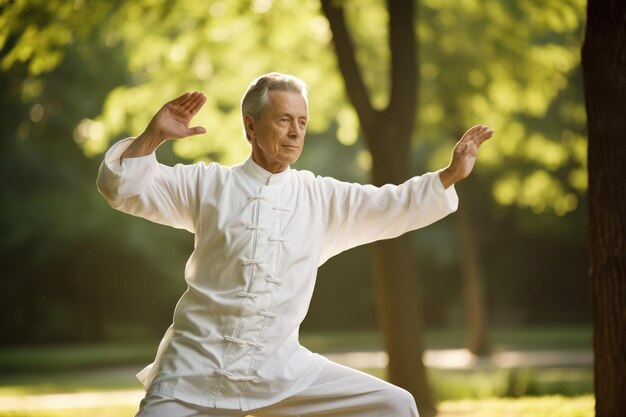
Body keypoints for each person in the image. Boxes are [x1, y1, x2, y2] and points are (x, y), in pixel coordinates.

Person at [97, 72, 493, 417]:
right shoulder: (207, 184)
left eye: (302, 121)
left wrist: (448, 175)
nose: (296, 131)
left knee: (394, 405)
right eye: (284, 119)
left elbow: (388, 204)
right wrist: (152, 137)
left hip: (279, 370)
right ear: (250, 127)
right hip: (192, 369)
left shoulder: (319, 198)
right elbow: (122, 190)